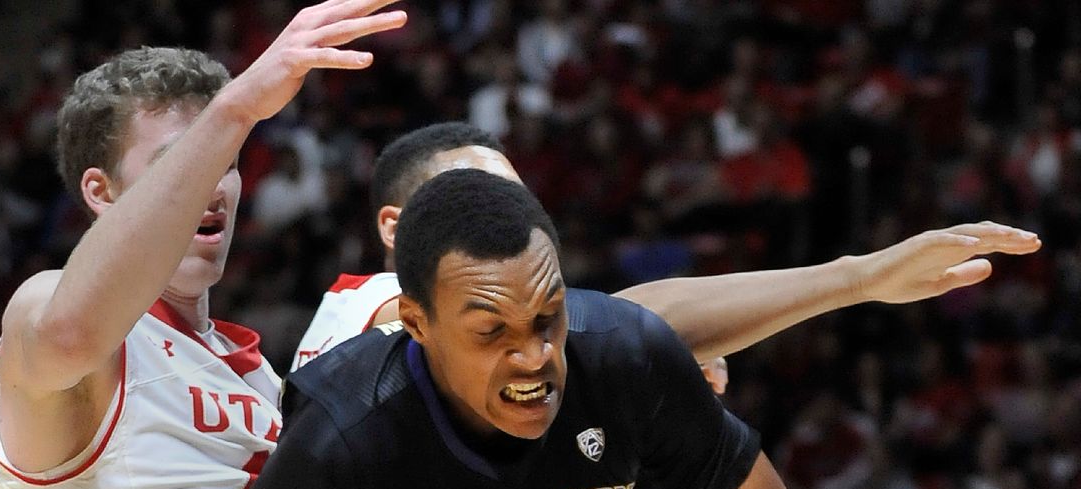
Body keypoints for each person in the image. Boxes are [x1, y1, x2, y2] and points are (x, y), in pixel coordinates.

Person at [195, 168, 834, 489]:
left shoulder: (623, 355)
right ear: (417, 324)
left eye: (548, 317)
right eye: (491, 331)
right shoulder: (340, 443)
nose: (535, 358)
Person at [0, 2, 408, 489]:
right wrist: (235, 109)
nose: (212, 182)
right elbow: (69, 333)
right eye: (182, 160)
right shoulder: (50, 308)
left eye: (226, 160)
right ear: (101, 192)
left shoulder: (263, 378)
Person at [290, 122, 1042, 395]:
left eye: (516, 200)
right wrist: (859, 278)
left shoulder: (500, 378)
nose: (506, 220)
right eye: (473, 199)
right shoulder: (372, 305)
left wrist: (639, 382)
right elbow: (615, 324)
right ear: (395, 229)